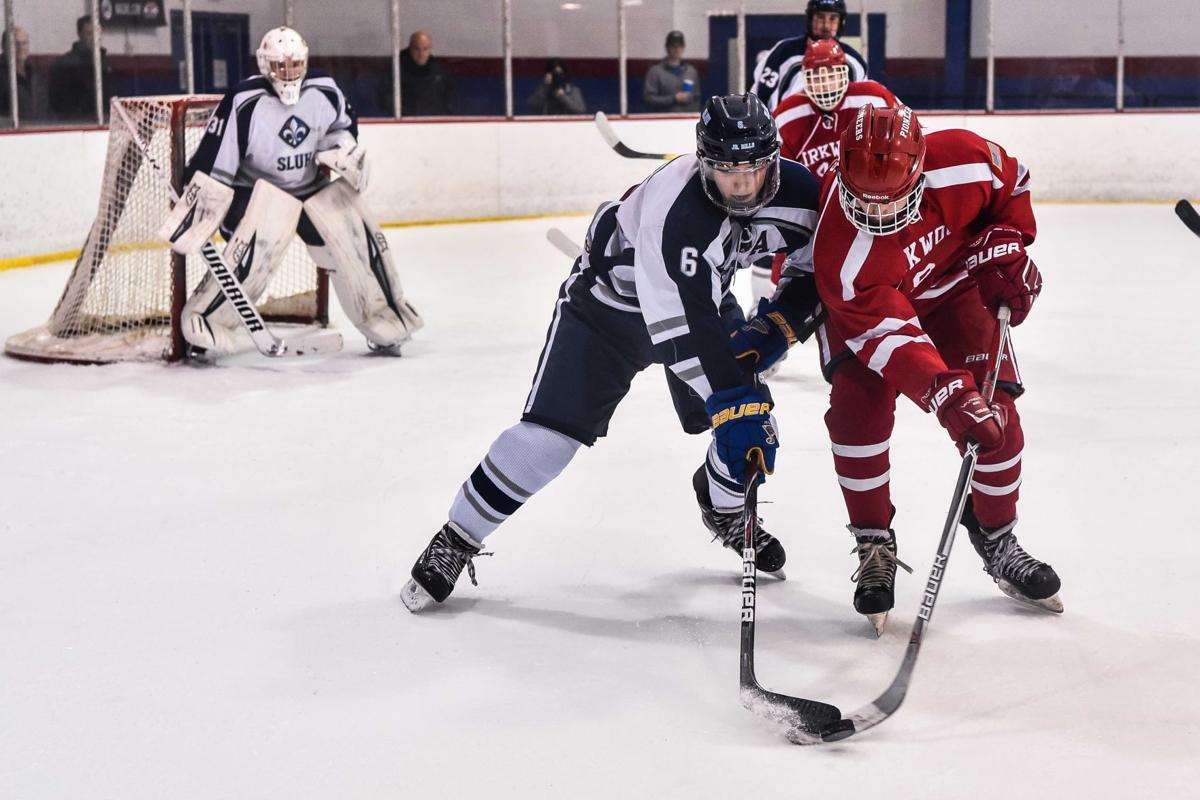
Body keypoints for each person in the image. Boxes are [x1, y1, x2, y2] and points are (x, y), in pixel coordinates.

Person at [399, 94, 825, 612]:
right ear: (703, 163)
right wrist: (734, 400)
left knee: (754, 425)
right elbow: (678, 333)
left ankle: (723, 507)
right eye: (725, 170)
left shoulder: (801, 194)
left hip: (700, 302)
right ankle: (458, 536)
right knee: (548, 441)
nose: (740, 185)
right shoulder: (678, 214)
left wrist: (777, 330)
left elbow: (815, 271)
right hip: (608, 310)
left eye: (752, 170)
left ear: (773, 159)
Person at [731, 105, 1062, 634]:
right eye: (864, 202)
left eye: (893, 202)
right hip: (869, 312)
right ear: (840, 174)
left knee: (998, 421)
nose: (879, 217)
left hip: (954, 292)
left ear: (921, 169)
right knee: (856, 414)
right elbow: (888, 339)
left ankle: (997, 538)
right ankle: (873, 542)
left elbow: (1012, 186)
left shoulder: (964, 159)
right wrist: (946, 395)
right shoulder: (840, 250)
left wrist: (1006, 247)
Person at [158, 26, 422, 358]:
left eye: (295, 64)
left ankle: (384, 319)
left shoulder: (324, 90)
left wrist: (343, 150)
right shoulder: (244, 101)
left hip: (310, 188)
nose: (289, 72)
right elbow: (215, 157)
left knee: (354, 235)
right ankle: (206, 321)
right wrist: (200, 198)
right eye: (280, 65)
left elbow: (341, 128)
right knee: (260, 242)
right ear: (265, 65)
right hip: (253, 193)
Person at [750, 38, 898, 304]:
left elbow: (908, 137)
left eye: (831, 74)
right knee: (786, 294)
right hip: (814, 222)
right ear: (804, 78)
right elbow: (777, 181)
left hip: (867, 214)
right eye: (817, 75)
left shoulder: (873, 97)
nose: (826, 83)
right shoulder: (787, 115)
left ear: (846, 73)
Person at [751, 0, 867, 113]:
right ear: (810, 19)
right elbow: (759, 98)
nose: (826, 25)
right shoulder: (783, 52)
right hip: (787, 129)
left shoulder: (854, 62)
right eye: (820, 17)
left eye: (833, 18)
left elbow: (860, 106)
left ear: (841, 22)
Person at [48, 15, 113, 121]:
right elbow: (59, 102)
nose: (94, 37)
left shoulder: (107, 64)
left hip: (104, 121)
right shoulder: (65, 65)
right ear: (79, 34)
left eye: (98, 32)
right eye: (89, 33)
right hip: (77, 123)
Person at [385, 30, 456, 117]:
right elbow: (386, 99)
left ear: (430, 48)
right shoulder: (396, 70)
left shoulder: (438, 72)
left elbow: (449, 100)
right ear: (410, 48)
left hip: (432, 123)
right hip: (405, 123)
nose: (421, 54)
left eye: (425, 49)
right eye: (417, 49)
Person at [643, 30, 700, 113]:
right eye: (673, 45)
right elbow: (649, 99)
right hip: (662, 121)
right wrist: (674, 99)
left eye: (679, 46)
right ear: (667, 47)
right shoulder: (655, 72)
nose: (676, 49)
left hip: (686, 121)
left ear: (683, 47)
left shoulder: (691, 72)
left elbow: (696, 97)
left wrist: (692, 116)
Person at [0, 26, 35, 118]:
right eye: (15, 43)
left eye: (24, 43)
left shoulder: (35, 74)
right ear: (3, 46)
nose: (21, 47)